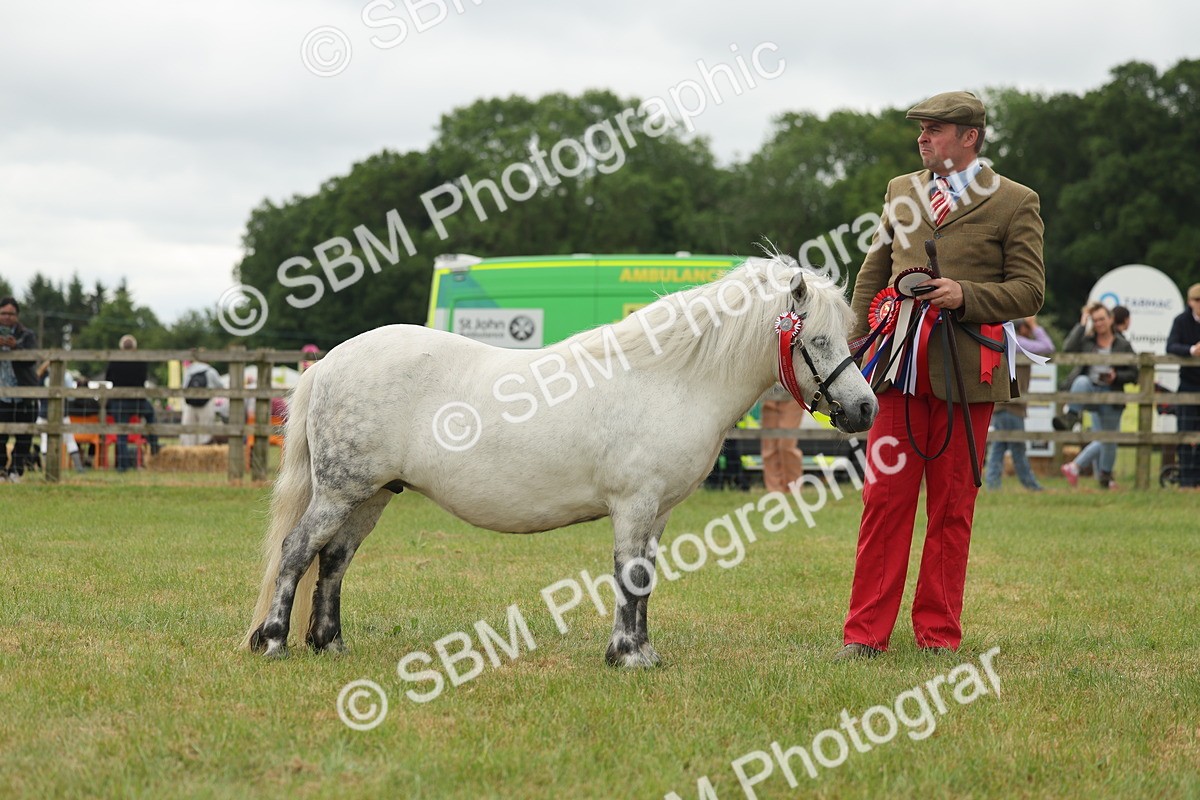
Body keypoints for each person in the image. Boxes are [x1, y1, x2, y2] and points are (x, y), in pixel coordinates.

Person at [836, 91, 1045, 660]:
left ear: (970, 137)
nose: (922, 138)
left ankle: (937, 635)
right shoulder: (902, 190)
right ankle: (864, 635)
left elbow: (1029, 290)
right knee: (884, 502)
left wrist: (965, 294)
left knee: (952, 509)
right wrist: (855, 343)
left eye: (935, 129)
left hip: (968, 377)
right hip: (898, 371)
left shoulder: (1016, 201)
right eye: (921, 130)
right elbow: (873, 271)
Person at [1053, 303, 1136, 490]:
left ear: (1110, 319)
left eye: (1102, 319)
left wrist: (1117, 376)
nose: (1099, 323)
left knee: (1108, 438)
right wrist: (1082, 324)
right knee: (1081, 381)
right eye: (1095, 320)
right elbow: (1068, 348)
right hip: (1090, 390)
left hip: (1111, 392)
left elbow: (1134, 372)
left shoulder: (1122, 344)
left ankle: (1105, 478)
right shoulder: (1088, 341)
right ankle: (1071, 417)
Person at [985, 316, 1055, 491]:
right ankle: (1030, 485)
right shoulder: (1017, 342)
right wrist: (1035, 325)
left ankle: (993, 484)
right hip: (1012, 405)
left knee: (1000, 445)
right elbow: (1048, 347)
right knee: (1016, 447)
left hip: (1004, 403)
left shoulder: (1005, 340)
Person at [106, 334, 160, 469]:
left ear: (121, 347)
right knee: (151, 415)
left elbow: (108, 378)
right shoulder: (140, 360)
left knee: (122, 433)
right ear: (135, 347)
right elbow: (143, 379)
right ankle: (154, 445)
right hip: (138, 401)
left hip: (120, 402)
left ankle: (123, 466)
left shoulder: (115, 360)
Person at [0, 297, 39, 483]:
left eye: (11, 314)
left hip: (24, 393)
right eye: (3, 313)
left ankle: (16, 470)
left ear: (17, 316)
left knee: (24, 435)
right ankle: (0, 470)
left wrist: (17, 347)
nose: (7, 317)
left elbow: (32, 359)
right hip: (2, 395)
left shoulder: (27, 335)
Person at [1165, 283, 1200, 488]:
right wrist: (1191, 351)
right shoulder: (1181, 321)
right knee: (1185, 434)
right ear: (1189, 302)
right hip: (1187, 384)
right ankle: (1186, 481)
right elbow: (1171, 345)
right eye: (1197, 301)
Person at [36, 361, 84, 473]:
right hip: (62, 413)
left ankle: (47, 468)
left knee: (44, 440)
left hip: (44, 413)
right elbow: (71, 397)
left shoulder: (41, 376)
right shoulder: (65, 375)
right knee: (70, 440)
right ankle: (79, 468)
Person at [760, 389, 805, 493]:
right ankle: (774, 490)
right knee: (769, 448)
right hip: (769, 396)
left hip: (793, 396)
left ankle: (794, 489)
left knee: (786, 446)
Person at [180, 359, 222, 446]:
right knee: (205, 431)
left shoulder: (189, 370)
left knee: (189, 431)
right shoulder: (211, 371)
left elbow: (184, 387)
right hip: (206, 403)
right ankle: (203, 450)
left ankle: (189, 451)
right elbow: (221, 386)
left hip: (190, 404)